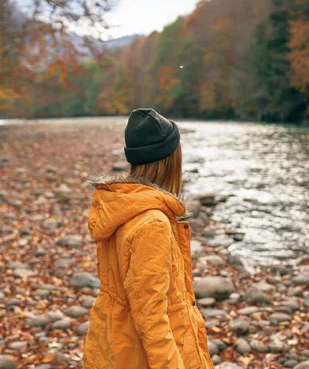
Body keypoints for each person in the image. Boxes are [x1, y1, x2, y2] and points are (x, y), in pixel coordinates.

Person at [83, 108, 214, 369]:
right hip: (143, 355)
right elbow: (150, 317)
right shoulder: (153, 222)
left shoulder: (120, 204)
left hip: (114, 341)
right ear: (169, 160)